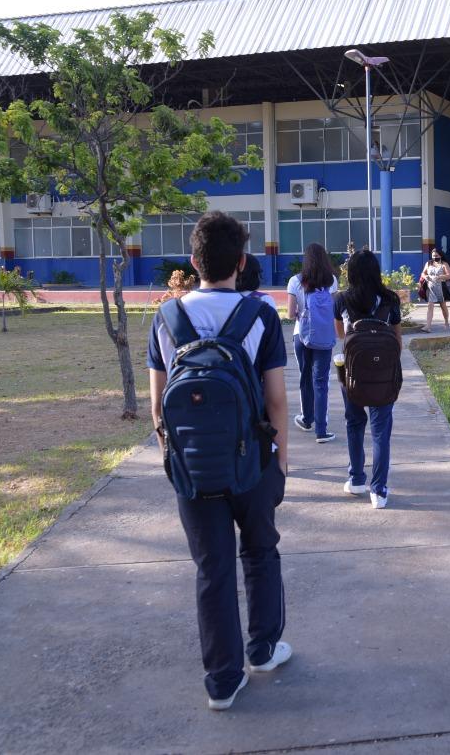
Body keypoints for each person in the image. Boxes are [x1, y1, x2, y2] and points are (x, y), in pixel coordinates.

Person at [147, 211, 291, 711]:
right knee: (260, 552)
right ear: (242, 262)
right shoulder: (261, 315)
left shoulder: (166, 318)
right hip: (252, 462)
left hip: (192, 467)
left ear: (193, 262)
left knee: (211, 568)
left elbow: (158, 404)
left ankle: (222, 682)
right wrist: (282, 459)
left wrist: (175, 459)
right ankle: (263, 649)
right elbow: (275, 401)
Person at [334, 250, 403, 509]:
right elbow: (398, 341)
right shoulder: (390, 300)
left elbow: (342, 335)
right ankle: (380, 490)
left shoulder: (341, 300)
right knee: (381, 429)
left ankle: (356, 479)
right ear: (376, 272)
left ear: (350, 273)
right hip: (384, 373)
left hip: (352, 373)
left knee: (354, 424)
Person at [286, 243, 339, 443]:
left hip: (301, 336)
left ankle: (307, 419)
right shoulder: (331, 281)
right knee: (321, 382)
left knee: (305, 378)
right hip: (324, 337)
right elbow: (334, 310)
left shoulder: (295, 281)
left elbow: (291, 314)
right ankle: (321, 431)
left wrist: (302, 314)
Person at [419, 247, 450, 332]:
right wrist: (425, 276)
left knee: (443, 306)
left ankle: (446, 322)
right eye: (433, 256)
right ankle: (428, 326)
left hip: (441, 287)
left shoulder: (444, 264)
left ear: (440, 255)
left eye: (436, 255)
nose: (434, 257)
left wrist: (440, 276)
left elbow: (449, 275)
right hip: (430, 287)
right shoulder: (429, 263)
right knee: (430, 306)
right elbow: (423, 273)